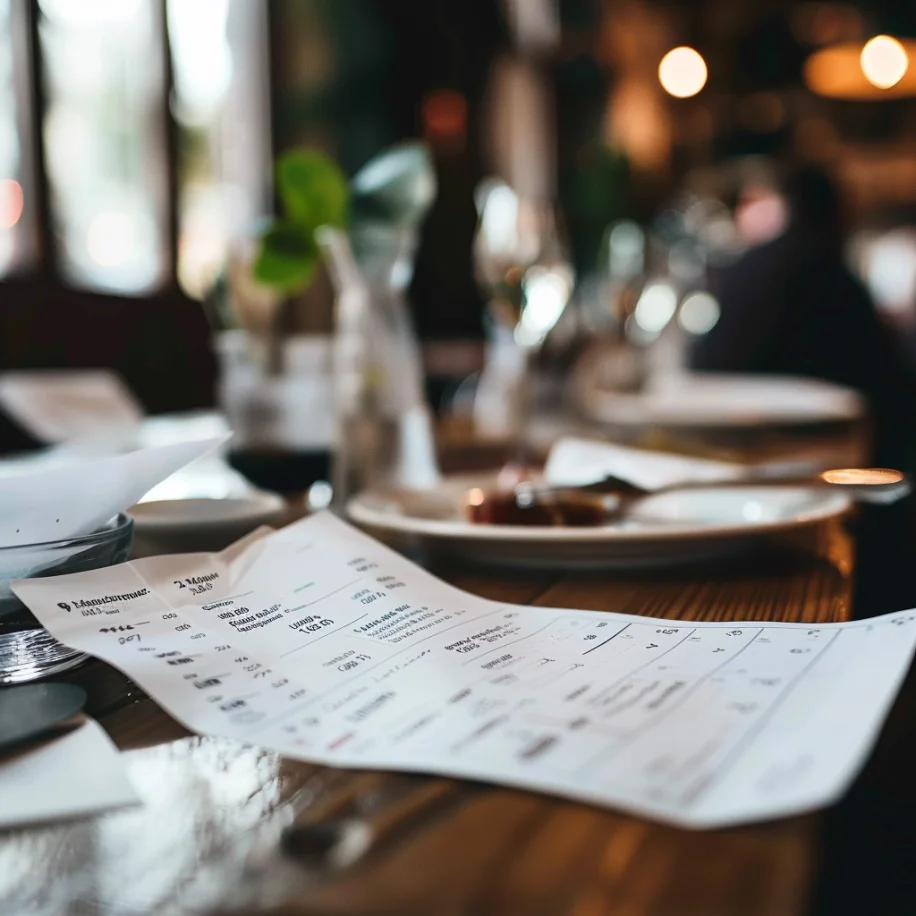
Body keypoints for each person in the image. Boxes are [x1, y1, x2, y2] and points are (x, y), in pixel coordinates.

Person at [692, 165, 916, 468]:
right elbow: (882, 374)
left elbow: (701, 355)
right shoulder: (828, 272)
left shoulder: (749, 263)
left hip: (719, 426)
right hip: (791, 441)